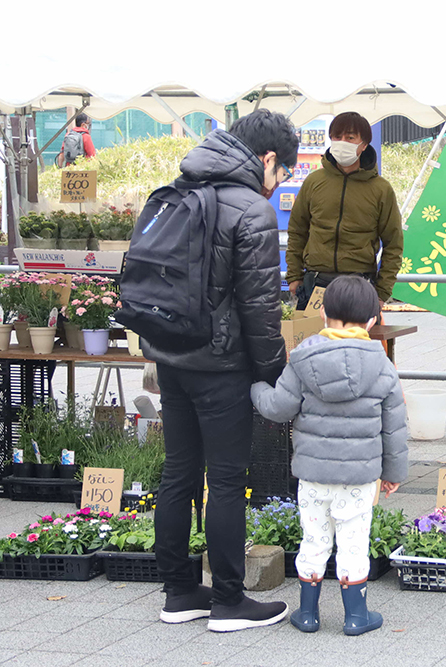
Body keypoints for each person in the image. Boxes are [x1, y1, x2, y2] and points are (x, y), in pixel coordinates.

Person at [145, 109, 298, 633]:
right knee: (228, 479)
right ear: (269, 159)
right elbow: (260, 311)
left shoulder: (178, 189)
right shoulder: (250, 209)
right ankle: (230, 601)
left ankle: (180, 593)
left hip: (170, 356)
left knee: (178, 471)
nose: (277, 187)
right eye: (281, 176)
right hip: (221, 366)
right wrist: (275, 373)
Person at [251, 275, 408, 636]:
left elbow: (277, 408)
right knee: (353, 544)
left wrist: (257, 387)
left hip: (313, 475)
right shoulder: (382, 365)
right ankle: (356, 616)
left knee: (314, 539)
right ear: (373, 319)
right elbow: (395, 426)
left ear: (323, 314)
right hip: (359, 479)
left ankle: (308, 614)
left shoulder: (303, 358)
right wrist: (394, 472)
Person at [286, 112, 403, 309]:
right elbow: (297, 231)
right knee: (314, 340)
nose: (342, 142)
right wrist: (294, 276)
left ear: (364, 145)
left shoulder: (381, 189)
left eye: (350, 138)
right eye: (337, 137)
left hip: (359, 283)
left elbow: (394, 243)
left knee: (355, 339)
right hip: (315, 282)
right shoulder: (314, 182)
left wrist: (382, 291)